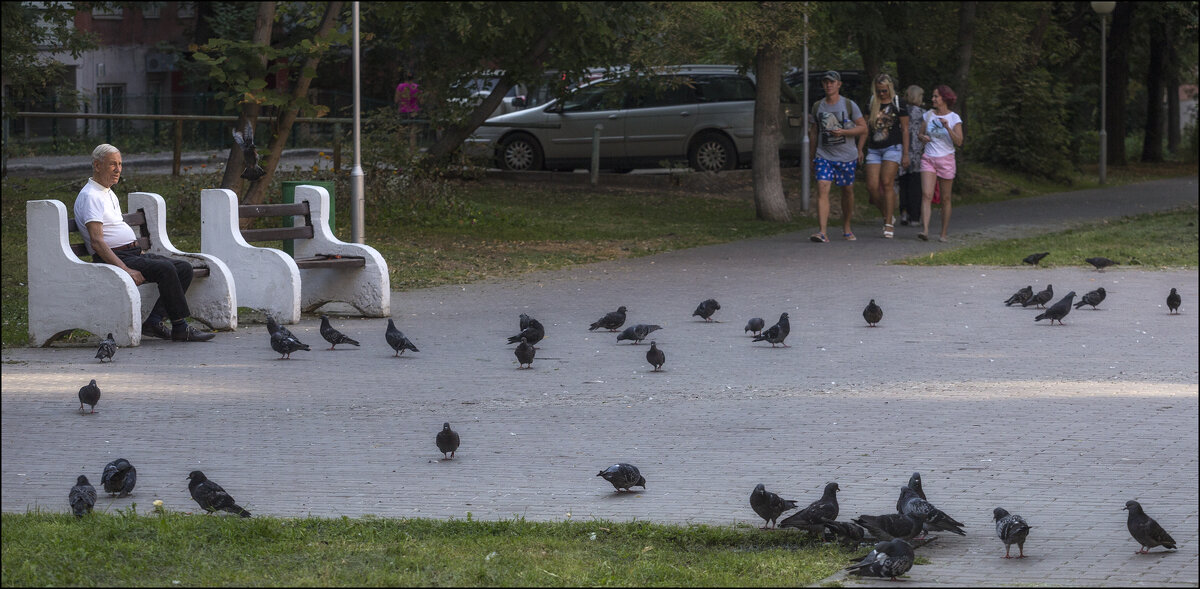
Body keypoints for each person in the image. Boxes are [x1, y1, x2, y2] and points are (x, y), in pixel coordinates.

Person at [73, 144, 214, 342]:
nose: (118, 169)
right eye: (113, 164)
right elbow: (97, 242)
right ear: (97, 165)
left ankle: (154, 321)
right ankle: (180, 326)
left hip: (130, 254)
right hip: (115, 258)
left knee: (183, 268)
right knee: (165, 268)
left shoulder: (107, 192)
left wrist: (136, 255)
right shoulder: (90, 196)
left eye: (120, 164)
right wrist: (126, 269)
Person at [808, 70, 867, 243]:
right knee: (822, 187)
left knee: (847, 191)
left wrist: (844, 132)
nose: (829, 85)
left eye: (832, 82)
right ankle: (822, 232)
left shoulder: (849, 105)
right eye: (826, 82)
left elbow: (863, 128)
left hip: (846, 156)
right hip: (823, 155)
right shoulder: (818, 106)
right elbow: (813, 132)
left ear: (839, 85)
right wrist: (811, 155)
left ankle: (847, 227)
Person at [860, 74, 909, 239]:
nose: (882, 94)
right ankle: (887, 214)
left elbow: (905, 129)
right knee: (872, 187)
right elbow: (864, 127)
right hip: (874, 149)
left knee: (887, 182)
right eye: (879, 91)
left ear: (890, 88)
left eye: (884, 90)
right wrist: (860, 148)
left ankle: (888, 223)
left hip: (893, 147)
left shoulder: (898, 103)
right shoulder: (871, 102)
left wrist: (906, 154)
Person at [916, 85, 964, 242]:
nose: (933, 99)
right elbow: (920, 134)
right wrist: (922, 137)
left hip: (946, 159)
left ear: (944, 98)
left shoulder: (954, 118)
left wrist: (948, 128)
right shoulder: (928, 115)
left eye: (936, 96)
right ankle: (925, 230)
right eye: (933, 96)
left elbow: (959, 141)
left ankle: (943, 234)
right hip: (929, 157)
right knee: (926, 194)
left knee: (945, 198)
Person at [897, 85, 926, 226]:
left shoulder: (900, 112)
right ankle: (915, 216)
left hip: (902, 151)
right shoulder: (923, 114)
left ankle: (903, 212)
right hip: (917, 153)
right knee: (915, 185)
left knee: (903, 184)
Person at [394, 72, 421, 151]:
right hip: (414, 111)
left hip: (403, 110)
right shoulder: (417, 87)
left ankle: (398, 149)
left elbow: (396, 100)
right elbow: (421, 100)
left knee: (400, 132)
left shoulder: (400, 87)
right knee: (413, 133)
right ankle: (412, 151)